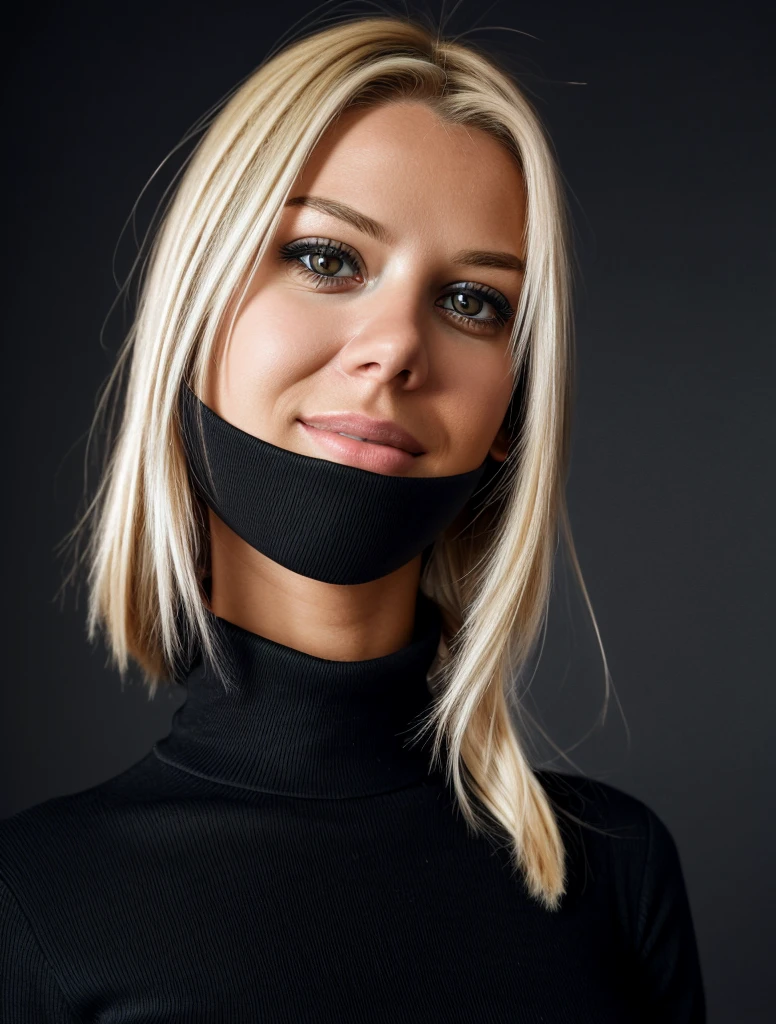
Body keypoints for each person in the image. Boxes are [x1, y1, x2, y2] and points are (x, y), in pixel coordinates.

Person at [0, 13, 706, 1022]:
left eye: (471, 300)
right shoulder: (29, 902)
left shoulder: (612, 873)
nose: (394, 349)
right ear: (195, 314)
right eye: (327, 259)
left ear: (508, 414)